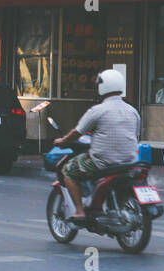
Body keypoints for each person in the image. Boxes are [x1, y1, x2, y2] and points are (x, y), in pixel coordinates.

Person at [52, 69, 141, 221]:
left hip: (102, 162)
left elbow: (77, 132)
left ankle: (80, 211)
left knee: (68, 170)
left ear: (102, 87)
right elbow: (136, 135)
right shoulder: (133, 111)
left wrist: (63, 141)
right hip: (129, 162)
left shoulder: (98, 110)